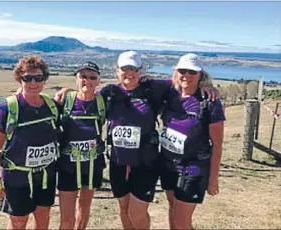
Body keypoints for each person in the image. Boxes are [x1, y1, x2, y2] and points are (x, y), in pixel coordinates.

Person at [55, 51, 219, 230]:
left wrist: (208, 87)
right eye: (125, 68)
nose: (129, 73)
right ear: (117, 71)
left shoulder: (154, 89)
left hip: (145, 163)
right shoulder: (110, 93)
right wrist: (67, 90)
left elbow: (184, 83)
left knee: (137, 213)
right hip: (118, 163)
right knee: (124, 210)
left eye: (134, 68)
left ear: (141, 71)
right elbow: (86, 93)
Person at [0, 56, 59, 229]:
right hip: (17, 177)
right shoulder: (7, 109)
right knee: (19, 220)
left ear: (44, 79)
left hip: (45, 174)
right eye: (27, 78)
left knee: (43, 215)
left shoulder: (51, 105)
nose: (33, 82)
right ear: (20, 79)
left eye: (38, 78)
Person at [159, 53, 225, 230]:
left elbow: (217, 145)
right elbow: (145, 84)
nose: (186, 75)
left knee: (181, 221)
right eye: (182, 71)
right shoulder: (170, 93)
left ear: (200, 75)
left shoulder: (210, 102)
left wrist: (213, 179)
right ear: (176, 72)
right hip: (169, 164)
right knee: (173, 210)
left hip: (194, 167)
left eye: (192, 72)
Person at [57, 61, 107, 230]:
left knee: (84, 209)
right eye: (83, 76)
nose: (88, 81)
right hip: (67, 165)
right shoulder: (65, 101)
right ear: (76, 78)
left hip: (92, 164)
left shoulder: (103, 102)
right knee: (67, 216)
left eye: (92, 77)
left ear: (99, 81)